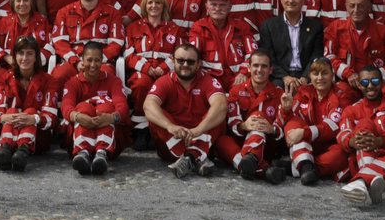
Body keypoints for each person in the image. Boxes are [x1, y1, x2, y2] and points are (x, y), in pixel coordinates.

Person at [143, 40, 228, 178]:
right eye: (180, 61)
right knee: (156, 117)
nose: (185, 65)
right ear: (173, 61)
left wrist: (197, 130)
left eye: (190, 62)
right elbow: (148, 105)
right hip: (173, 141)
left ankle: (189, 158)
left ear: (199, 64)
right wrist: (170, 126)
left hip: (201, 136)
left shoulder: (208, 80)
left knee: (217, 116)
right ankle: (197, 158)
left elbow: (221, 105)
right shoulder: (165, 81)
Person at [336, 65, 385, 206]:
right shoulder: (351, 110)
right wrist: (353, 142)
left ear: (382, 83)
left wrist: (379, 141)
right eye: (365, 82)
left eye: (375, 81)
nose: (370, 86)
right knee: (364, 125)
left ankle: (362, 182)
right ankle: (370, 183)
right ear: (358, 85)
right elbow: (342, 134)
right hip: (362, 160)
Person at [219, 50, 290, 183]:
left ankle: (251, 161)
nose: (259, 70)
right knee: (221, 140)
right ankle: (265, 171)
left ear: (270, 70)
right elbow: (232, 122)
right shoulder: (236, 91)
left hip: (266, 146)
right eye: (256, 65)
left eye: (264, 66)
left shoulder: (279, 94)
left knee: (258, 118)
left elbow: (282, 129)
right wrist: (243, 125)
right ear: (249, 68)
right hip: (240, 142)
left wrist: (271, 129)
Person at [59, 41, 129, 175]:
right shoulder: (73, 83)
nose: (92, 65)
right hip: (79, 133)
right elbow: (66, 107)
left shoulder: (113, 81)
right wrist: (79, 116)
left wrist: (111, 117)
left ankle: (102, 153)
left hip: (109, 136)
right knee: (83, 107)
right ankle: (83, 152)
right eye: (89, 60)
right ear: (82, 60)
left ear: (102, 60)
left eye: (97, 60)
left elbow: (122, 106)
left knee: (106, 106)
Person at [0, 36, 57, 172]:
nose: (24, 58)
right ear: (15, 56)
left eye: (29, 54)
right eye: (21, 53)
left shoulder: (49, 81)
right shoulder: (5, 78)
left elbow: (52, 117)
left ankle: (23, 149)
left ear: (36, 57)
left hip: (38, 139)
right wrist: (3, 117)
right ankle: (6, 149)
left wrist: (34, 119)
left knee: (31, 111)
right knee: (11, 110)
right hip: (10, 129)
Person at [283, 57, 353, 185]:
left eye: (324, 73)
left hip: (330, 144)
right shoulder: (304, 91)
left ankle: (295, 168)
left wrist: (304, 132)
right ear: (310, 76)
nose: (320, 78)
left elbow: (334, 127)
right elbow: (290, 122)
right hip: (308, 144)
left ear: (332, 75)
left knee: (341, 154)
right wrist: (285, 110)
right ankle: (306, 169)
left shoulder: (342, 93)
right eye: (315, 74)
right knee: (293, 123)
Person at [49, 0, 125, 82]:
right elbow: (59, 43)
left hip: (101, 63)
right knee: (58, 75)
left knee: (107, 74)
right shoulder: (64, 12)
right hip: (73, 63)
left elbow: (116, 43)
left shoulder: (112, 13)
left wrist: (94, 62)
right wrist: (76, 61)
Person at [124, 0, 181, 141]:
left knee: (168, 87)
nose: (154, 6)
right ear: (144, 6)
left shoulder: (175, 29)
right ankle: (141, 129)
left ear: (164, 6)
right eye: (150, 2)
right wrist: (146, 68)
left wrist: (162, 68)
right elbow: (128, 54)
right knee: (142, 84)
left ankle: (159, 129)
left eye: (158, 3)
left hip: (166, 72)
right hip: (142, 72)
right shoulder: (133, 27)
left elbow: (180, 54)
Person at [324, 0, 385, 88]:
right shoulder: (336, 28)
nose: (356, 10)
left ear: (369, 7)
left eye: (361, 6)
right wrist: (347, 73)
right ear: (346, 7)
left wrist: (373, 78)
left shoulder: (384, 31)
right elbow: (329, 57)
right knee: (341, 94)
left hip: (376, 85)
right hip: (348, 83)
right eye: (352, 6)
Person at [256, 0, 323, 87]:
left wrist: (305, 77)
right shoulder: (269, 26)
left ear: (303, 1)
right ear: (281, 0)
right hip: (279, 78)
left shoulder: (315, 27)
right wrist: (285, 77)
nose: (291, 1)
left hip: (307, 77)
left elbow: (316, 56)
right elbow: (269, 57)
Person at [189, 0, 256, 86]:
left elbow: (253, 54)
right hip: (209, 79)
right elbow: (193, 55)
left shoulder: (242, 27)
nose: (217, 8)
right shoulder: (199, 27)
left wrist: (244, 73)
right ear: (206, 7)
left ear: (230, 7)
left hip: (238, 78)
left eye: (222, 5)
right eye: (213, 4)